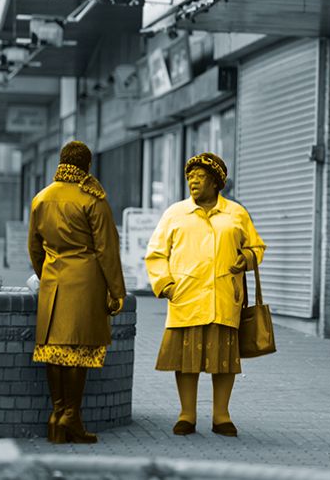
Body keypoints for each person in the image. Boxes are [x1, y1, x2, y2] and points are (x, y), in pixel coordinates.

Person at [145, 152, 265, 437]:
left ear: (215, 182)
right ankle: (187, 414)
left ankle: (221, 416)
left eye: (199, 178)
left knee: (223, 361)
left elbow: (257, 247)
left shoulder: (236, 213)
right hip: (185, 297)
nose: (193, 183)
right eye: (190, 178)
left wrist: (246, 258)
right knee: (186, 361)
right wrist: (166, 284)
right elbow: (156, 254)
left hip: (224, 296)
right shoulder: (175, 213)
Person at [28, 141, 126, 444]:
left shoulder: (41, 198)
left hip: (53, 283)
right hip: (85, 283)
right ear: (86, 166)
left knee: (54, 352)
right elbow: (107, 250)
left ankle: (57, 416)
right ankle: (71, 417)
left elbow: (34, 247)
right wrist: (116, 291)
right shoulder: (92, 199)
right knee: (78, 353)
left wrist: (47, 273)